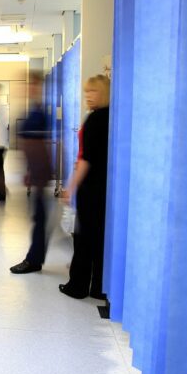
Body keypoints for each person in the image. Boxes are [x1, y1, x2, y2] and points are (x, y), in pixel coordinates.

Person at [59, 75, 111, 299]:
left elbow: (86, 160)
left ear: (104, 93)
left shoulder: (94, 119)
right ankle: (99, 286)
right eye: (86, 91)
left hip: (91, 187)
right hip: (106, 185)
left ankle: (77, 286)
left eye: (93, 91)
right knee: (100, 237)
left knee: (83, 238)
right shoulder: (112, 116)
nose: (88, 96)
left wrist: (70, 187)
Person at [10, 71, 53, 274]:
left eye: (33, 85)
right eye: (28, 85)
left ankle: (34, 260)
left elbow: (42, 145)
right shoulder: (33, 111)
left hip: (40, 171)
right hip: (35, 171)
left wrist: (37, 172)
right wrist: (28, 170)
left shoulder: (40, 113)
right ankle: (35, 257)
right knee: (39, 215)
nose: (29, 89)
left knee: (40, 216)